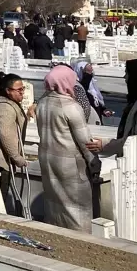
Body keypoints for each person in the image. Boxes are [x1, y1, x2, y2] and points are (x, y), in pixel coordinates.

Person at [36, 65, 102, 232]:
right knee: (77, 206)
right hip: (70, 163)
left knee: (55, 202)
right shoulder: (71, 106)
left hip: (48, 159)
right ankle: (81, 238)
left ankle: (57, 234)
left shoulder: (42, 103)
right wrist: (94, 162)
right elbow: (85, 141)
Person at [0, 73, 28, 217]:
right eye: (19, 90)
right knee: (0, 197)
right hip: (1, 161)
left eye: (23, 89)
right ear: (8, 91)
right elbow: (6, 135)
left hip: (3, 159)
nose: (22, 92)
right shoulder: (5, 108)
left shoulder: (6, 104)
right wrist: (16, 157)